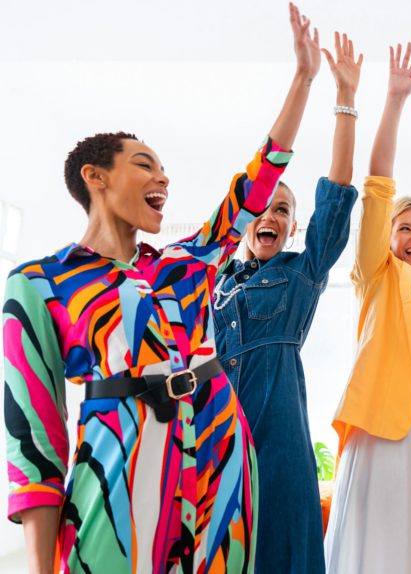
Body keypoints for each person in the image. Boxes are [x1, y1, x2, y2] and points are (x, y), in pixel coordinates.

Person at [2, 3, 313, 571]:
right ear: (95, 177)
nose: (163, 177)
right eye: (145, 164)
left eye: (164, 170)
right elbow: (33, 445)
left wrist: (303, 79)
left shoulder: (188, 261)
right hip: (118, 474)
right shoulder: (35, 284)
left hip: (221, 450)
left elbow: (255, 184)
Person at [212, 15, 360, 574]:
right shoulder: (217, 282)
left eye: (283, 209)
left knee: (283, 552)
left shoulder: (301, 273)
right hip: (219, 431)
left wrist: (344, 98)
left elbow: (337, 197)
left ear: (293, 227)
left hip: (277, 439)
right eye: (264, 206)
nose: (271, 214)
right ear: (246, 220)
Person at [324, 43, 411, 574]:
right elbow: (378, 182)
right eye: (404, 226)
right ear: (385, 236)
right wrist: (394, 100)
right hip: (386, 429)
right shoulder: (377, 276)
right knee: (379, 547)